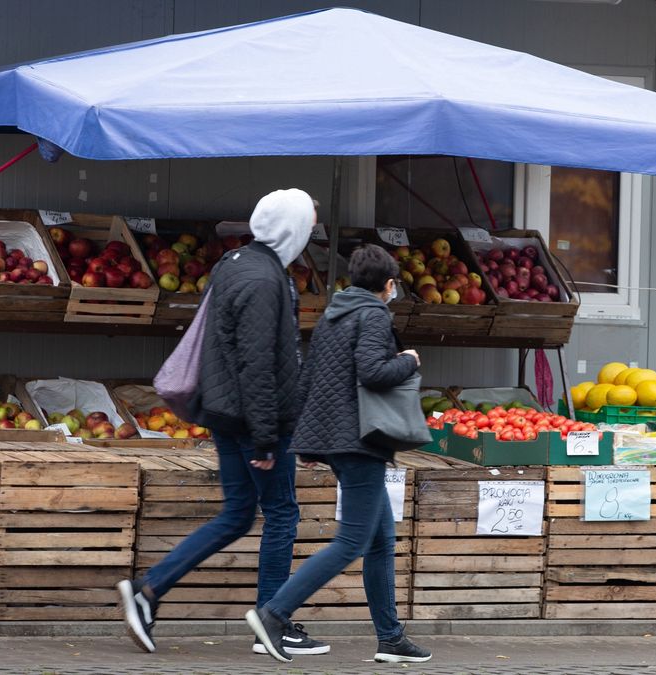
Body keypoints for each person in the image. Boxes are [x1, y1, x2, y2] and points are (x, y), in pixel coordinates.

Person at [117, 188, 328, 657]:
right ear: (292, 229)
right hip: (255, 418)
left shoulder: (235, 264)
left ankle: (148, 590)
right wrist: (266, 438)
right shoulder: (263, 281)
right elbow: (256, 363)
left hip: (225, 412)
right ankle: (271, 620)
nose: (309, 235)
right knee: (280, 514)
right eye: (307, 227)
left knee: (236, 514)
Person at [246, 245, 432, 665]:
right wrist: (407, 360)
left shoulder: (334, 315)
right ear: (388, 285)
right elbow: (373, 372)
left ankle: (391, 638)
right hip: (360, 441)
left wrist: (310, 443)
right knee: (352, 542)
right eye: (394, 285)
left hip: (339, 439)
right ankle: (273, 614)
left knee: (381, 539)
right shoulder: (373, 315)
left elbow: (308, 378)